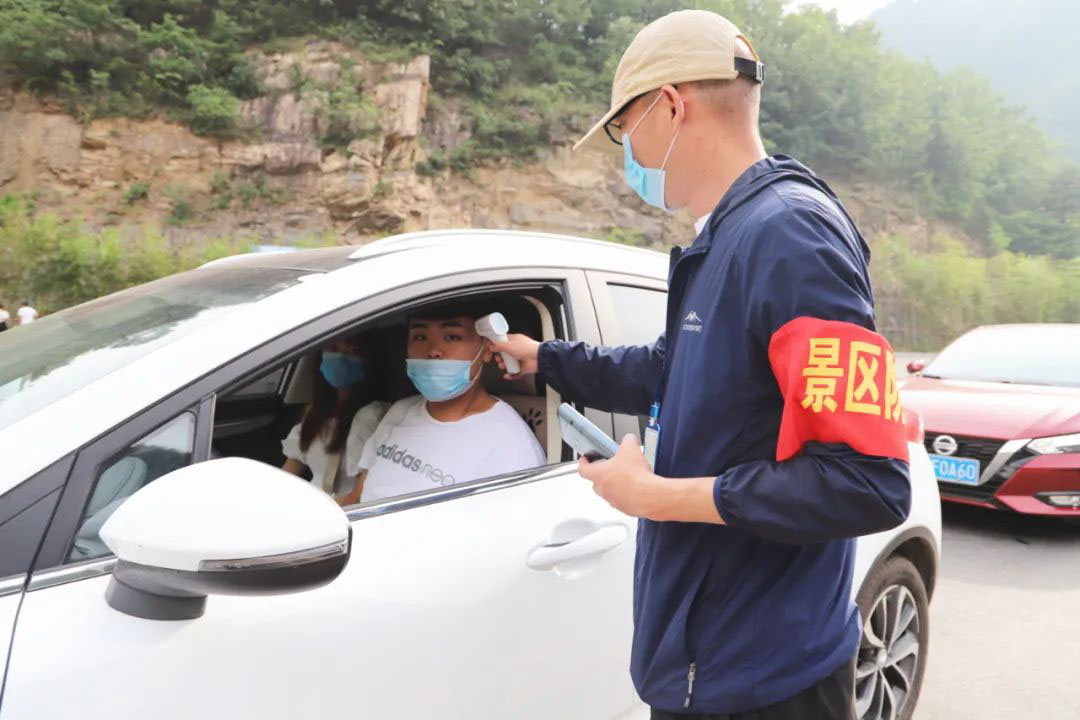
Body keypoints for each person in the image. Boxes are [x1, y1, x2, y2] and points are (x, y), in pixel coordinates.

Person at [489, 10, 911, 720]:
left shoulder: (791, 237)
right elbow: (671, 369)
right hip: (713, 660)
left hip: (766, 676)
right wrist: (545, 359)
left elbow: (866, 482)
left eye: (624, 130)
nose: (629, 154)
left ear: (670, 106)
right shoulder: (728, 238)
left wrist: (657, 496)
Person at [338, 301, 545, 506]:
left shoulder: (511, 445)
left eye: (451, 337)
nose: (433, 351)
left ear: (487, 350)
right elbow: (358, 497)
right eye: (420, 337)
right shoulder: (400, 411)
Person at [282, 335, 389, 499]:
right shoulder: (315, 413)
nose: (340, 357)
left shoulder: (375, 416)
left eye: (353, 351)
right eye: (333, 349)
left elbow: (360, 493)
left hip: (349, 508)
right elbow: (290, 470)